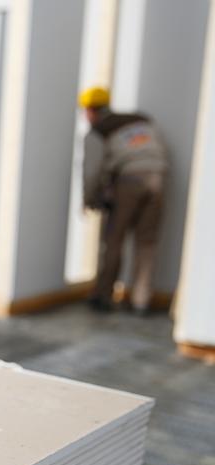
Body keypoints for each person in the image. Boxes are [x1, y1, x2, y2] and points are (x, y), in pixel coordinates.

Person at [78, 86, 168, 315]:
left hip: (129, 180)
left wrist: (89, 199)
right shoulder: (140, 120)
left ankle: (103, 296)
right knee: (147, 241)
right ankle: (141, 301)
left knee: (114, 239)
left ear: (89, 111)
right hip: (159, 176)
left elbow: (91, 171)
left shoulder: (99, 131)